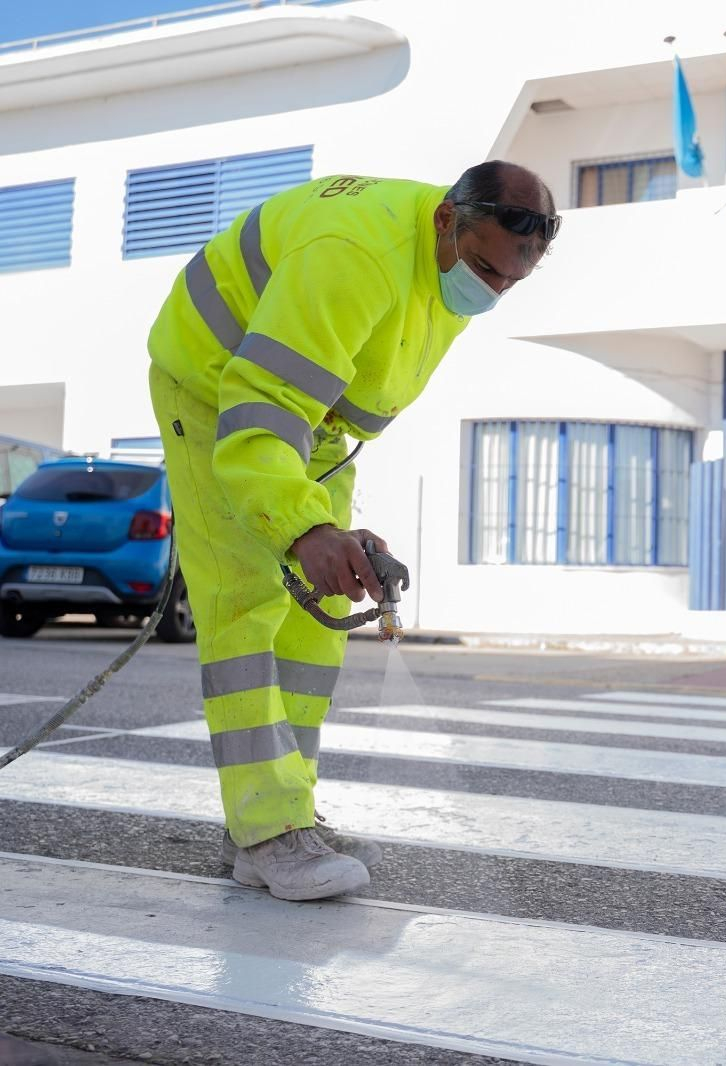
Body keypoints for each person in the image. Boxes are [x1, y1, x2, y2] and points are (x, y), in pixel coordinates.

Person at [146, 161, 557, 900]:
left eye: (509, 282)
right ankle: (266, 831)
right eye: (485, 269)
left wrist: (333, 539)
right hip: (217, 390)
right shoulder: (354, 253)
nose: (491, 290)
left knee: (321, 602)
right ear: (445, 220)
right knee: (245, 598)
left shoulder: (448, 268)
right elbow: (264, 400)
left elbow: (343, 391)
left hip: (312, 420)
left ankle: (289, 809)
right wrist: (304, 527)